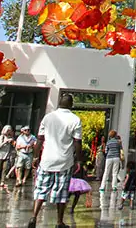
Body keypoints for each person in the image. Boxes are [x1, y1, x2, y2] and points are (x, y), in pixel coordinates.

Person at [27, 93, 82, 228]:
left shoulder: (48, 118)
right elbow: (77, 142)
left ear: (59, 103)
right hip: (65, 161)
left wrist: (35, 157)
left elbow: (40, 139)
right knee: (61, 193)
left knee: (41, 190)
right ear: (71, 104)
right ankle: (59, 222)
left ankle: (34, 217)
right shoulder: (75, 120)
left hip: (46, 160)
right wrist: (79, 160)